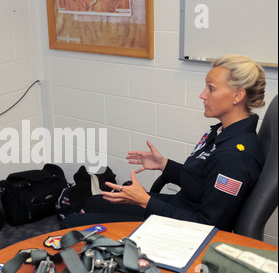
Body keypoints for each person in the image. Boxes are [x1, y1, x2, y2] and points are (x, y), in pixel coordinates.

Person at [61, 54, 266, 232]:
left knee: (73, 224)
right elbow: (201, 181)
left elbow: (206, 227)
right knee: (97, 202)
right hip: (180, 208)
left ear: (237, 96)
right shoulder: (222, 133)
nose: (202, 95)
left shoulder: (234, 157)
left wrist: (145, 201)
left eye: (211, 88)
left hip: (182, 232)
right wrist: (164, 165)